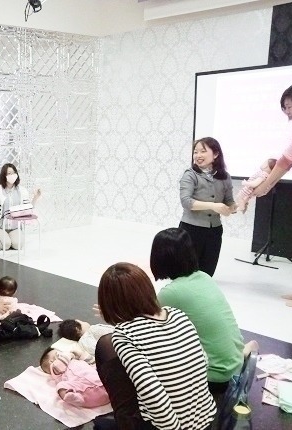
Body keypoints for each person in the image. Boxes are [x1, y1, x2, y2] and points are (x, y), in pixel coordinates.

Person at [95, 262, 216, 430]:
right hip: (206, 419)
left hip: (169, 425)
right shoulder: (179, 315)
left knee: (104, 346)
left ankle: (123, 417)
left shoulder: (124, 334)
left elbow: (152, 393)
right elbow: (203, 361)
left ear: (109, 303)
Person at [150, 227, 245, 399]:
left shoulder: (171, 293)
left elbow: (145, 328)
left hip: (212, 377)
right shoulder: (204, 277)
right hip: (234, 365)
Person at [254, 81, 292, 309]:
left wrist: (265, 186)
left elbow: (285, 162)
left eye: (288, 106)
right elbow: (286, 159)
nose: (286, 112)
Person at [179, 137, 236, 277]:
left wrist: (237, 206)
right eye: (195, 152)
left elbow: (229, 201)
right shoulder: (190, 175)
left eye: (202, 151)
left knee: (207, 272)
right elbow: (186, 202)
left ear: (215, 154)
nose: (198, 155)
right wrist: (213, 206)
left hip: (214, 231)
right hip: (191, 229)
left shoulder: (225, 177)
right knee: (187, 272)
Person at [0, 163, 41, 250]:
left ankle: (10, 237)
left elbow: (28, 208)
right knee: (6, 245)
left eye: (14, 173)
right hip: (0, 227)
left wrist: (35, 197)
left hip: (15, 227)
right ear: (4, 176)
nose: (12, 175)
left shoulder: (22, 190)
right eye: (9, 173)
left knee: (18, 245)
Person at [39, 347, 109, 408]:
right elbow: (60, 365)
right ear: (51, 361)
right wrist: (70, 354)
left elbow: (93, 362)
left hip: (101, 383)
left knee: (104, 368)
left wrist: (81, 355)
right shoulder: (55, 368)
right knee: (60, 386)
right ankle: (74, 398)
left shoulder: (75, 360)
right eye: (58, 354)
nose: (63, 354)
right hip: (83, 389)